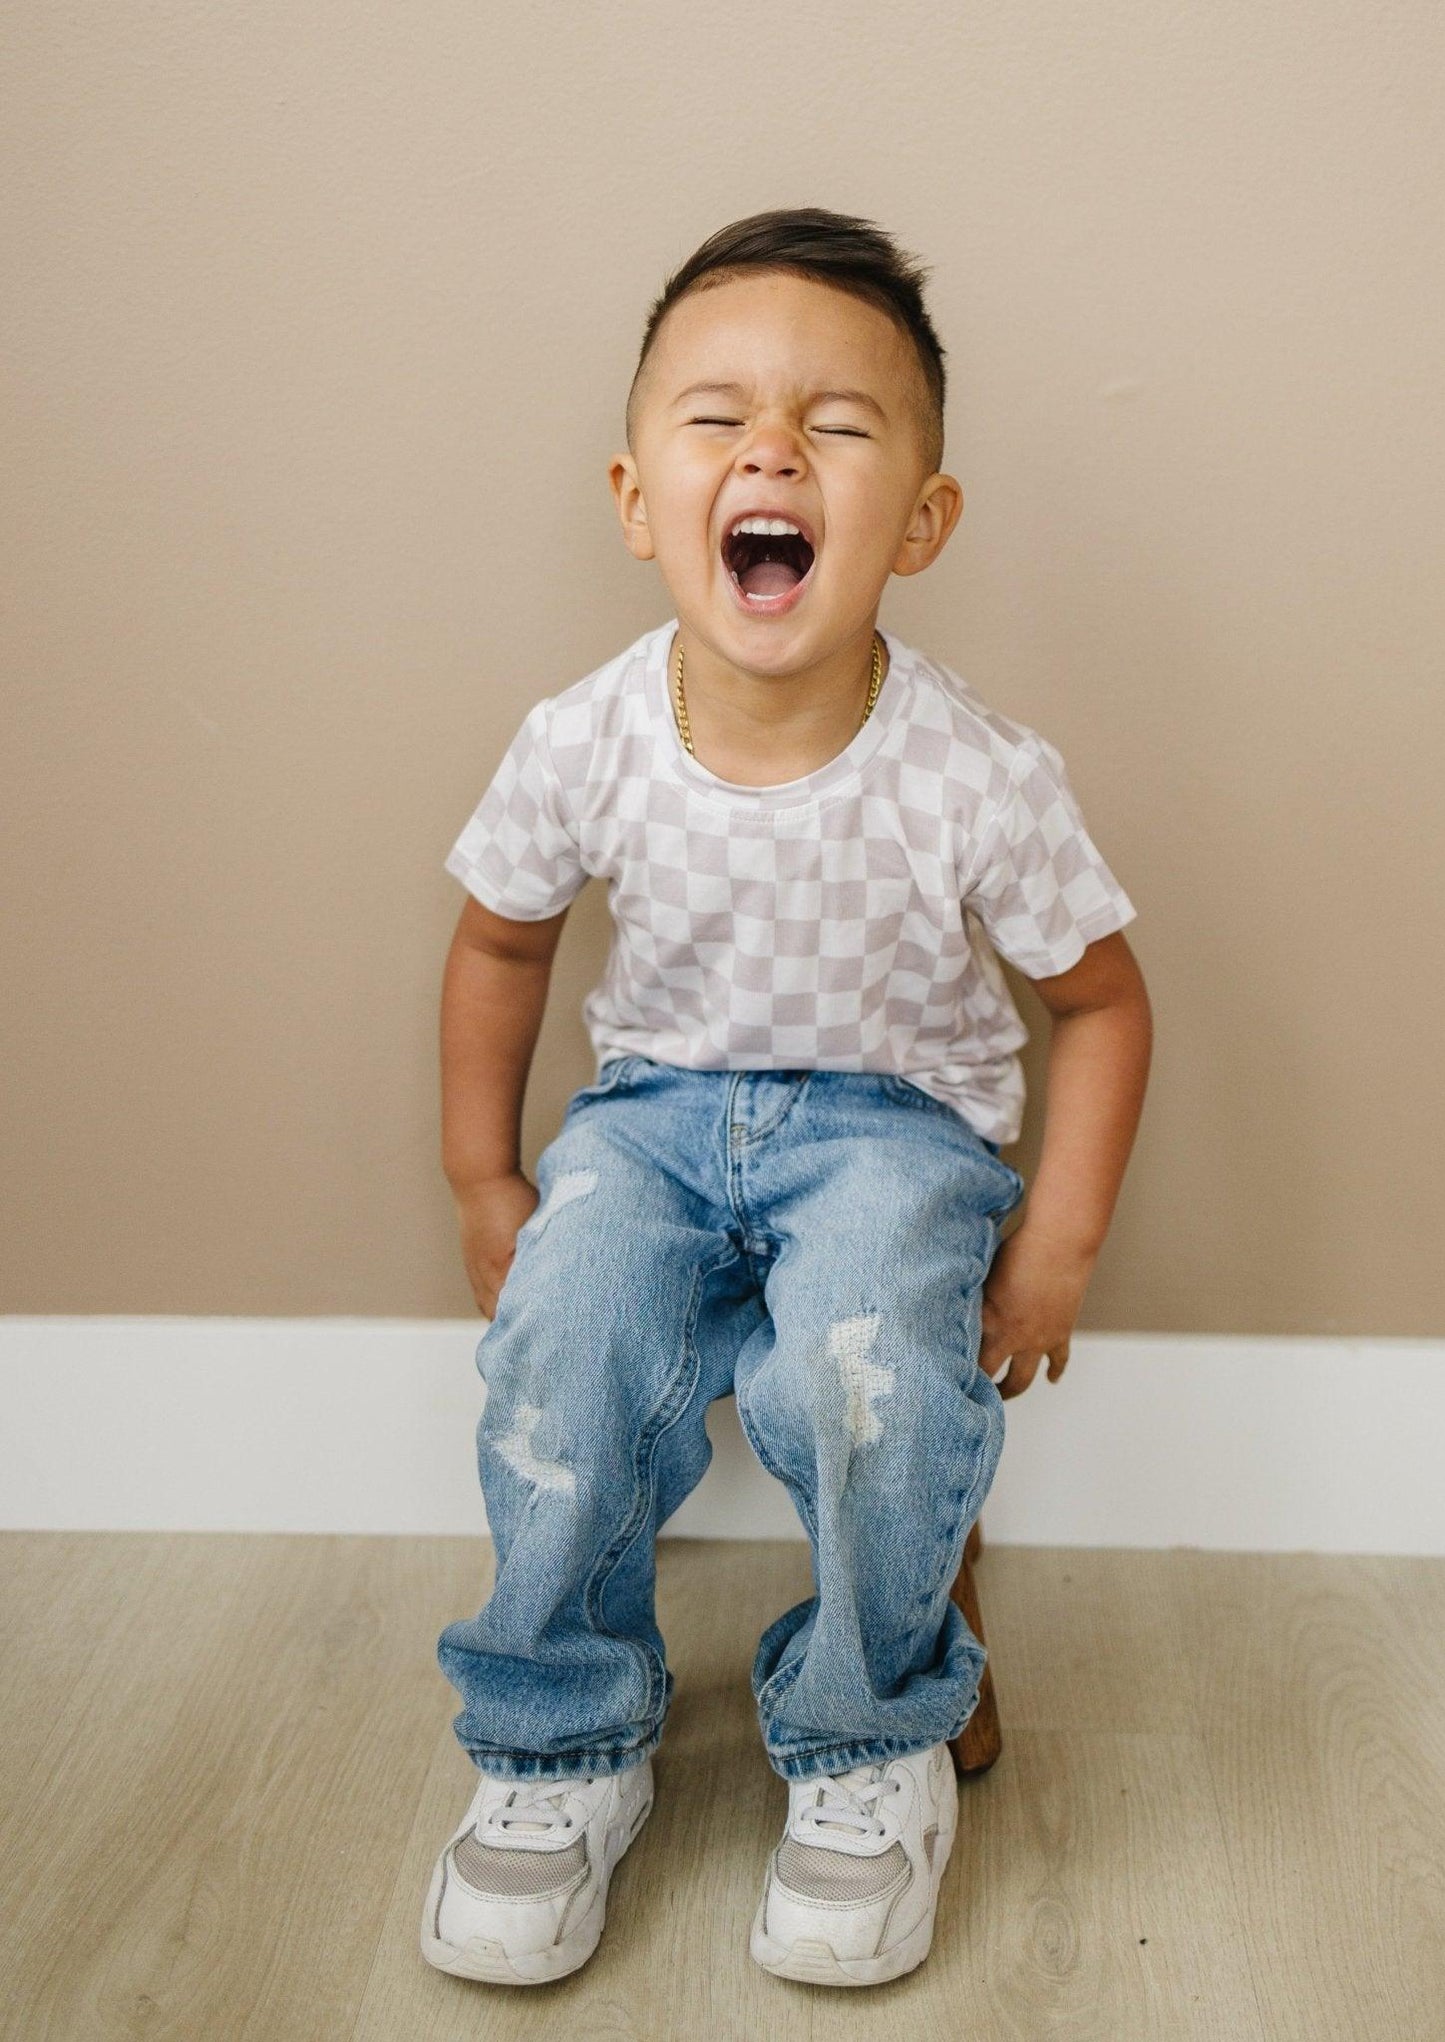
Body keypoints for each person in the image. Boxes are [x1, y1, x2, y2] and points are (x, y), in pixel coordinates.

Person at [419, 206, 1152, 1991]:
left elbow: (1101, 1001)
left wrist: (1053, 1240)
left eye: (833, 424)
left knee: (869, 1355)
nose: (768, 450)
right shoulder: (580, 738)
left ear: (916, 519)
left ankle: (869, 1733)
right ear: (633, 497)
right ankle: (554, 1746)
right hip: (655, 1118)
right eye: (717, 417)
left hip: (893, 1128)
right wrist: (481, 1180)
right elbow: (502, 948)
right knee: (567, 1337)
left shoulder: (974, 772)